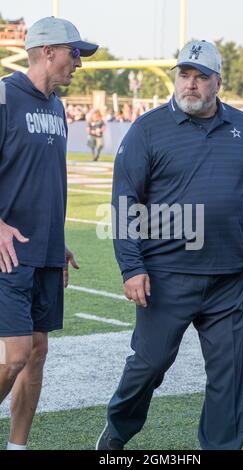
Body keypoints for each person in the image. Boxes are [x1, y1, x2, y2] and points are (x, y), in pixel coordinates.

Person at [96, 40, 243, 451]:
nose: (190, 84)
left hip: (228, 278)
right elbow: (125, 202)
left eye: (200, 77)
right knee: (149, 365)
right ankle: (117, 431)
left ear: (217, 83)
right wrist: (131, 267)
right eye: (184, 75)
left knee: (228, 376)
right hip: (165, 277)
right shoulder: (147, 129)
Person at [0, 16, 98, 450]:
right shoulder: (4, 96)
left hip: (44, 250)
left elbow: (45, 179)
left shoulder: (57, 106)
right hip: (8, 252)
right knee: (15, 355)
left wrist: (57, 241)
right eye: (74, 53)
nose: (78, 63)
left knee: (37, 354)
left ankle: (18, 447)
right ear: (48, 51)